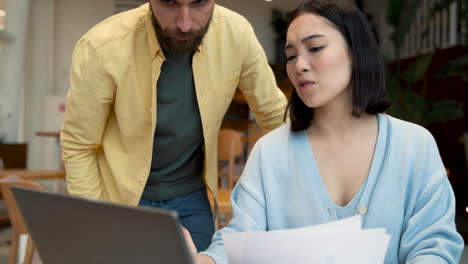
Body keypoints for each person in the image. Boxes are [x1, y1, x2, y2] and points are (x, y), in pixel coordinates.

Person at [190, 0, 465, 263]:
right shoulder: (269, 152)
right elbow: (239, 240)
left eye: (316, 48)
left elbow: (433, 246)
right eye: (291, 55)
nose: (299, 65)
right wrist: (205, 259)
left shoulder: (414, 145)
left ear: (356, 51)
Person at [60, 0, 288, 252]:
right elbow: (79, 145)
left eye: (199, 2)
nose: (185, 24)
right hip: (120, 200)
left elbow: (276, 117)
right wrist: (97, 221)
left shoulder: (237, 34)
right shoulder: (103, 46)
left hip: (192, 197)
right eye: (169, 3)